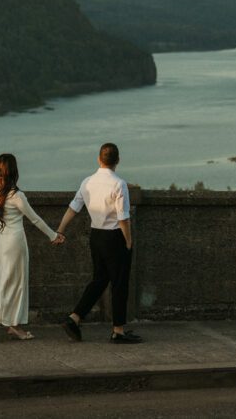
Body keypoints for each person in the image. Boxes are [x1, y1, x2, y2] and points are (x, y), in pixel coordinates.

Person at [0, 153, 63, 342]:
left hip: (1, 240)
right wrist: (53, 235)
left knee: (1, 281)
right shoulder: (16, 195)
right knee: (15, 285)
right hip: (15, 242)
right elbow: (35, 219)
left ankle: (10, 325)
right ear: (14, 171)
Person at [55, 142, 141, 344]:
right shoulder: (119, 184)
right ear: (117, 161)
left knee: (100, 280)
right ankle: (118, 331)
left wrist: (60, 230)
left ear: (99, 159)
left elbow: (73, 208)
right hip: (115, 237)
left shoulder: (87, 182)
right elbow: (123, 218)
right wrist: (128, 241)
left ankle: (74, 318)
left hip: (96, 236)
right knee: (119, 283)